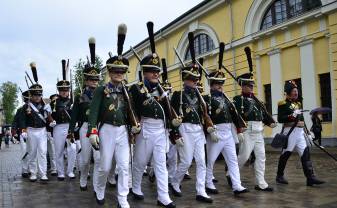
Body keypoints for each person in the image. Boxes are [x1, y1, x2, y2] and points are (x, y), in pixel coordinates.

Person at [88, 24, 139, 208]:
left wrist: (134, 124)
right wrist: (92, 131)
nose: (119, 74)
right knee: (105, 166)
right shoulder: (101, 90)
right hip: (106, 130)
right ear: (110, 73)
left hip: (123, 131)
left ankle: (123, 198)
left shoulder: (127, 91)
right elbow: (93, 112)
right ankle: (99, 189)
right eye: (116, 71)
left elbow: (131, 111)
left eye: (122, 72)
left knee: (124, 166)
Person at [130, 22, 176, 208]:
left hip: (160, 130)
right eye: (152, 71)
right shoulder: (137, 88)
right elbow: (135, 106)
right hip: (146, 128)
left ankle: (163, 197)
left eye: (157, 71)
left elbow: (168, 109)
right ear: (145, 73)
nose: (156, 74)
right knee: (140, 162)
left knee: (161, 164)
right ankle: (135, 187)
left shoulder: (161, 89)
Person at [169, 32, 213, 204]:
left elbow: (205, 113)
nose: (195, 82)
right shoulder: (177, 95)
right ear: (185, 80)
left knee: (201, 161)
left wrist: (209, 126)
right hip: (184, 129)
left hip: (198, 130)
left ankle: (201, 191)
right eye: (192, 79)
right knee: (186, 161)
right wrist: (175, 134)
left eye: (196, 79)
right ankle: (175, 181)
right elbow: (172, 116)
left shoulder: (201, 96)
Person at [204, 69, 249, 195]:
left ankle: (237, 185)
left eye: (221, 83)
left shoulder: (226, 98)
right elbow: (205, 116)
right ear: (211, 84)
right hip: (216, 132)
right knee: (211, 160)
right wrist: (210, 131)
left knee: (232, 160)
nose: (220, 85)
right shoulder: (207, 99)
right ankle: (208, 183)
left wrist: (239, 130)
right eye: (217, 83)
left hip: (228, 132)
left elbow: (234, 115)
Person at [276, 80, 325, 186]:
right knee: (286, 154)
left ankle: (310, 178)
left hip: (300, 133)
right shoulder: (282, 104)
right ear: (288, 92)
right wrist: (291, 115)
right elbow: (280, 119)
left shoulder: (298, 103)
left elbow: (302, 119)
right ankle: (279, 176)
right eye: (294, 91)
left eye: (296, 90)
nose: (296, 93)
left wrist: (307, 132)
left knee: (305, 154)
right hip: (290, 132)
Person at [233, 72, 276, 192]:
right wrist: (238, 130)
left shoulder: (257, 101)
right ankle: (231, 173)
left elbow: (262, 115)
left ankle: (261, 183)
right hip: (247, 130)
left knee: (261, 157)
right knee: (244, 156)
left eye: (252, 85)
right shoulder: (238, 100)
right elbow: (236, 117)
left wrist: (269, 122)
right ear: (242, 86)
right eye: (248, 85)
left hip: (258, 131)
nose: (251, 87)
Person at [68, 37, 100, 191]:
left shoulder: (103, 94)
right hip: (85, 128)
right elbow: (74, 115)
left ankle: (96, 184)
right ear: (86, 81)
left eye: (96, 79)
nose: (94, 82)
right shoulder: (80, 97)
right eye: (91, 79)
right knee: (86, 158)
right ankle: (83, 177)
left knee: (99, 158)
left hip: (100, 128)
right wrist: (70, 131)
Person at [18, 62, 50, 182]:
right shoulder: (26, 106)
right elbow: (22, 119)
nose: (37, 97)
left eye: (39, 95)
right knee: (32, 153)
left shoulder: (45, 105)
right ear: (31, 95)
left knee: (42, 152)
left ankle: (43, 173)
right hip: (31, 130)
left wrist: (50, 124)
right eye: (35, 95)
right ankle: (33, 173)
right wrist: (23, 130)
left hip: (42, 131)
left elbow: (48, 119)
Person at [50, 60, 76, 180]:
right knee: (59, 150)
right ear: (59, 91)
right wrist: (51, 121)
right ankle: (60, 172)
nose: (64, 92)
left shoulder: (73, 101)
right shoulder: (54, 102)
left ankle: (70, 171)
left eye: (66, 90)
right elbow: (48, 115)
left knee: (72, 149)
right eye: (62, 90)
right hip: (58, 127)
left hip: (70, 127)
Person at [13, 90, 30, 178]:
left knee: (33, 152)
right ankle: (25, 170)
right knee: (24, 151)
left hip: (33, 132)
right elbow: (15, 122)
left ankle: (32, 169)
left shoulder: (37, 109)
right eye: (27, 100)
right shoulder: (20, 110)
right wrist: (15, 132)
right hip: (23, 133)